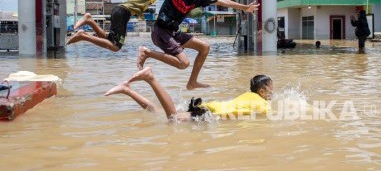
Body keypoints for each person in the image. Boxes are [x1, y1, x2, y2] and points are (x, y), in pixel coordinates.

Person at [104, 67, 273, 122]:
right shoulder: (263, 104)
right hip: (210, 114)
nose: (273, 92)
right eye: (271, 89)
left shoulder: (248, 95)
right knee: (172, 118)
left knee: (160, 112)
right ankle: (150, 78)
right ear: (262, 91)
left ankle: (127, 90)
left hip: (210, 107)